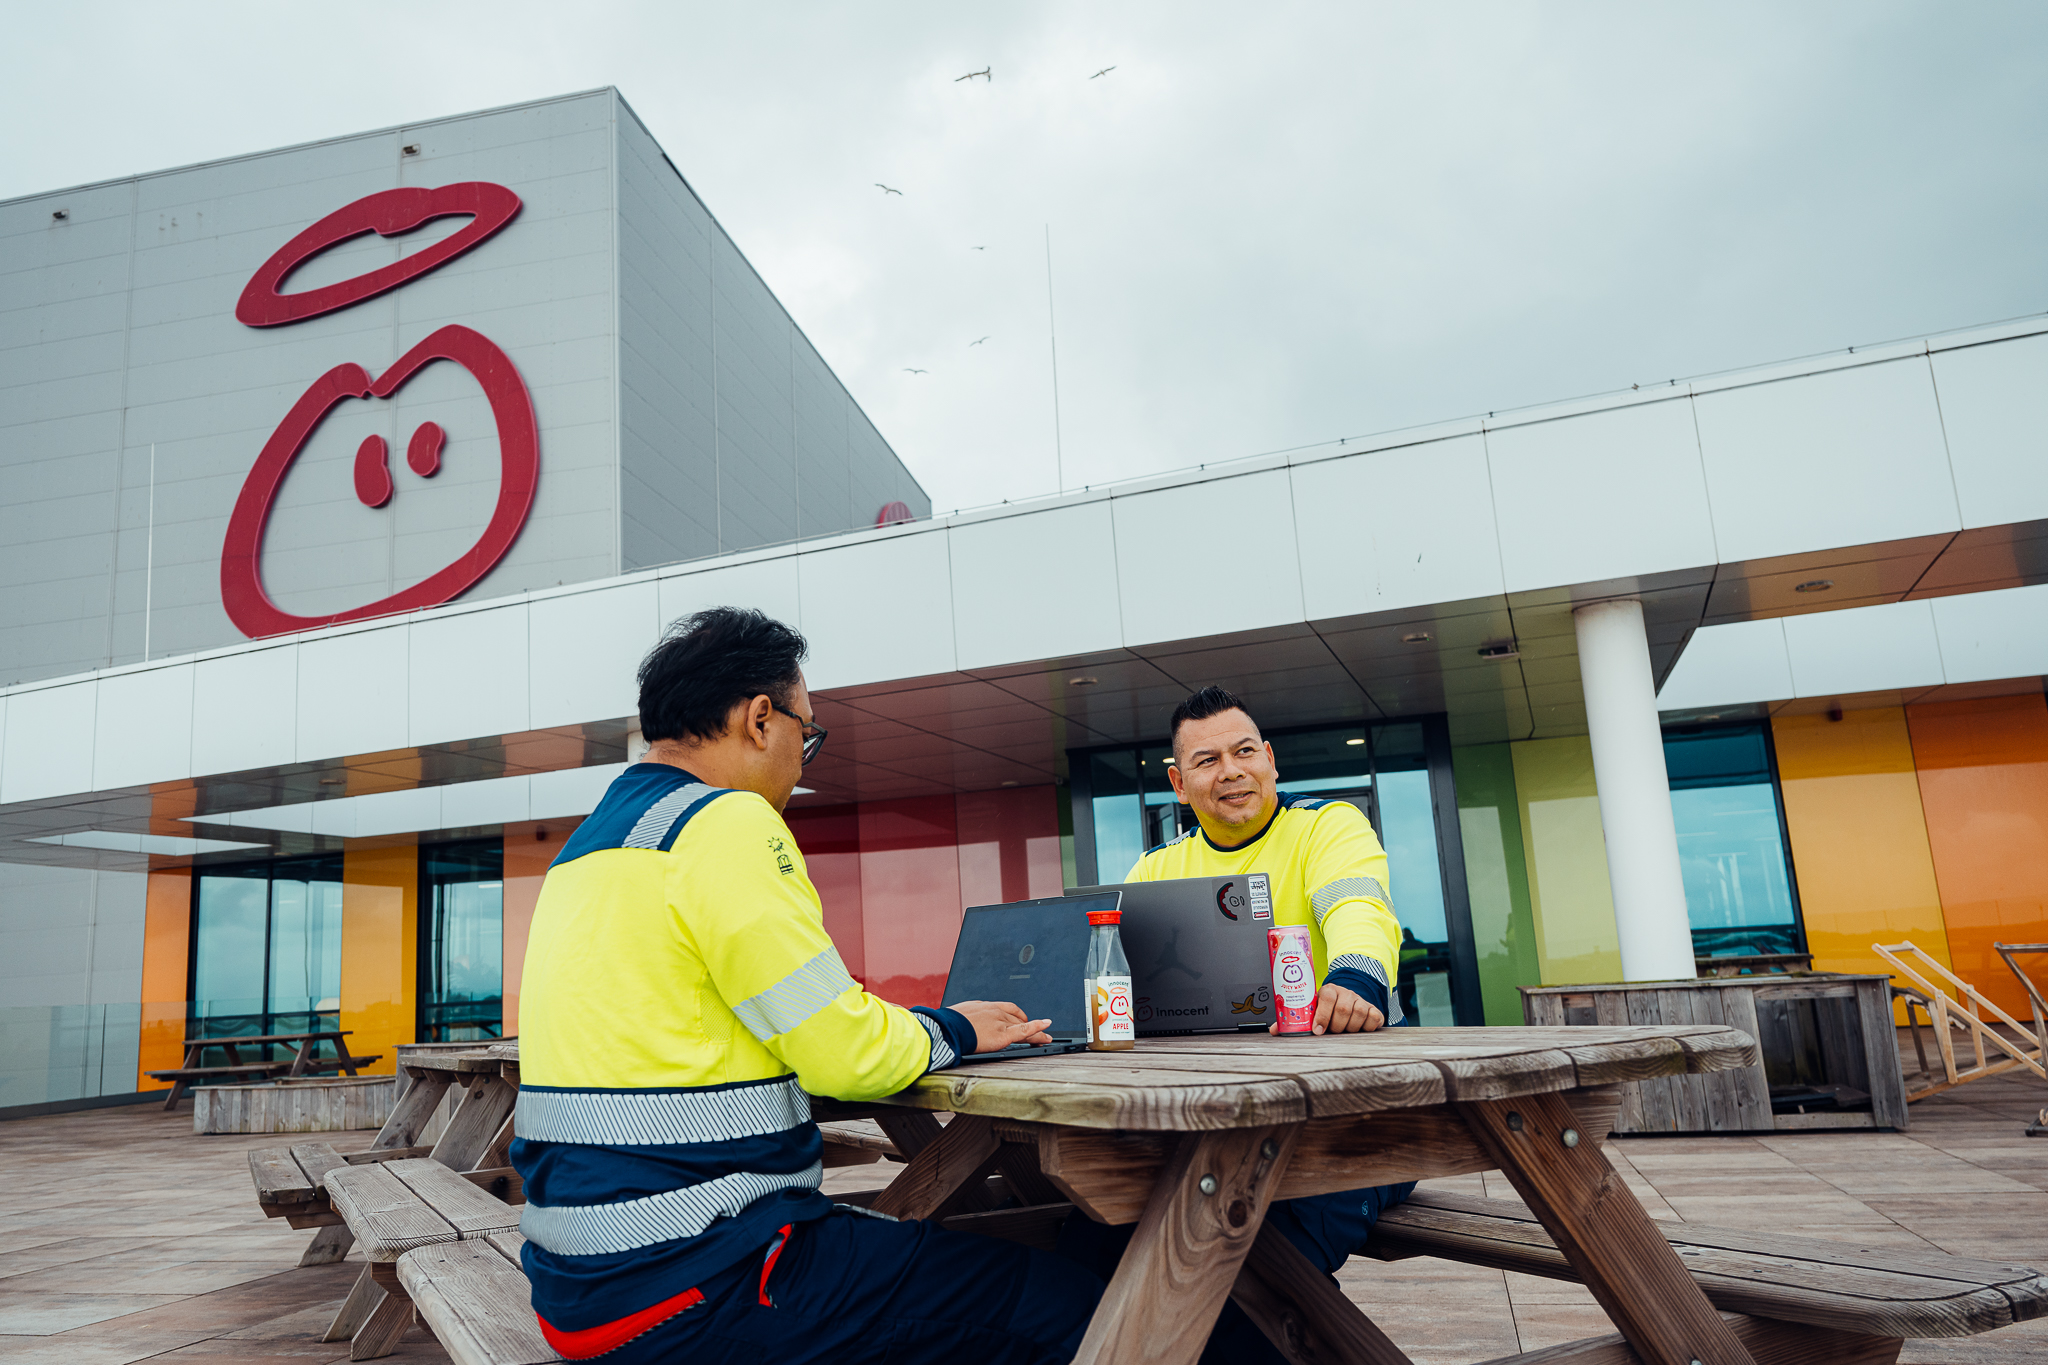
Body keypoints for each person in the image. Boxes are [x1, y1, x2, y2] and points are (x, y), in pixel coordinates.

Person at [511, 607, 1104, 1364]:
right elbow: (842, 1054)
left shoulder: (587, 849)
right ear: (761, 719)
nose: (802, 760)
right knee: (1069, 1300)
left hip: (579, 1286)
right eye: (807, 733)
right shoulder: (725, 822)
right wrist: (955, 1027)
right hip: (696, 1282)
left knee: (951, 1258)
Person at [1108, 684, 1415, 1274]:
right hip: (1221, 1123)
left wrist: (1356, 981)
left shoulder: (1328, 827)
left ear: (1270, 759)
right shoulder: (1154, 869)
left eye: (1244, 752)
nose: (1231, 772)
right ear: (1178, 784)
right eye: (1208, 760)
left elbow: (1360, 911)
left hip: (1354, 1118)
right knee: (1098, 1228)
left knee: (1264, 1253)